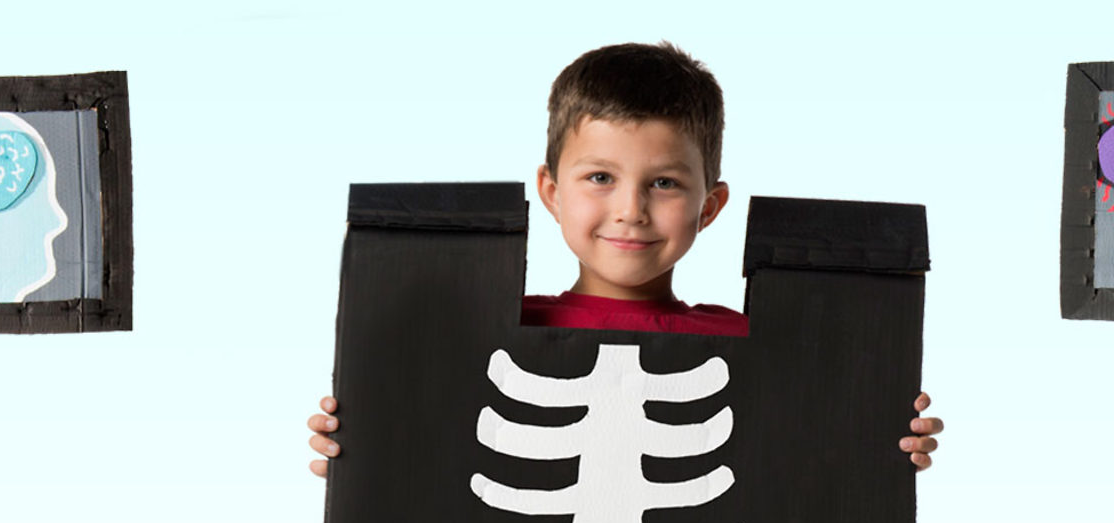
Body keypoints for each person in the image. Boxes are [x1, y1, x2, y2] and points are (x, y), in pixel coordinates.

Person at [307, 41, 941, 474]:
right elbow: (426, 468)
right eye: (600, 178)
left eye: (663, 183)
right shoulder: (483, 337)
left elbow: (810, 475)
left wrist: (877, 440)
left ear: (710, 207)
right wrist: (365, 445)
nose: (630, 210)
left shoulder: (760, 347)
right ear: (551, 192)